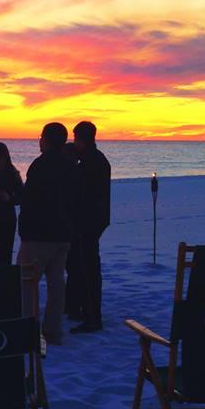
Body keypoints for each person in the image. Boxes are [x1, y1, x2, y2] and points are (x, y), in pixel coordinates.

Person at [17, 122, 79, 345]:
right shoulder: (71, 167)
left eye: (41, 136)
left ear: (47, 140)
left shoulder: (40, 165)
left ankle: (28, 330)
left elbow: (30, 199)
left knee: (26, 285)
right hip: (62, 235)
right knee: (56, 285)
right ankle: (53, 331)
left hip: (38, 235)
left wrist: (24, 228)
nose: (39, 140)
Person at [69, 121, 111, 333]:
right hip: (95, 219)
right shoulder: (97, 159)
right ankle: (84, 310)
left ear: (81, 138)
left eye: (75, 138)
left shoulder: (89, 161)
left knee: (88, 268)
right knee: (85, 266)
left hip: (88, 221)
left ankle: (92, 316)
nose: (73, 142)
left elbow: (80, 192)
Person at [61, 141, 84, 320]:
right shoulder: (76, 173)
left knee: (73, 268)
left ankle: (72, 306)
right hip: (70, 226)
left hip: (71, 227)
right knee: (72, 268)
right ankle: (70, 304)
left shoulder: (73, 174)